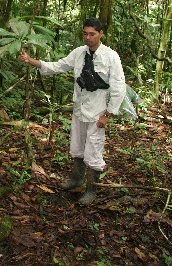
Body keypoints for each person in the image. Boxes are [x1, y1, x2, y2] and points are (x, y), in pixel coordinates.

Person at [19, 18, 126, 205]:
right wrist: (30, 61)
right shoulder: (78, 53)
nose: (88, 37)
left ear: (101, 34)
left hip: (98, 113)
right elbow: (58, 66)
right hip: (79, 110)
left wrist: (107, 114)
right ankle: (75, 180)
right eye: (85, 33)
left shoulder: (111, 56)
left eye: (92, 34)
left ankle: (91, 190)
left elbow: (118, 87)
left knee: (93, 151)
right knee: (77, 148)